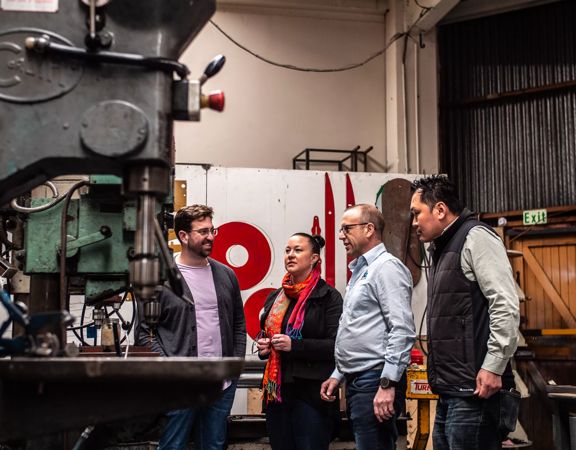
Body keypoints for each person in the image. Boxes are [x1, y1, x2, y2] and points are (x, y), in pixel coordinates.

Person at [409, 175, 520, 450]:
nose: (413, 223)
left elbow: (505, 304)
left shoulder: (476, 237)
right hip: (451, 390)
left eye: (416, 213)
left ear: (440, 210)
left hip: (476, 390)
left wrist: (493, 366)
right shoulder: (442, 247)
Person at [136, 204, 246, 450]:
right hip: (180, 386)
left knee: (214, 446)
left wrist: (235, 366)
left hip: (221, 384)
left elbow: (238, 323)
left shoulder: (226, 275)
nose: (210, 236)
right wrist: (171, 371)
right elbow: (144, 333)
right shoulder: (161, 278)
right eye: (203, 231)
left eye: (212, 230)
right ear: (183, 236)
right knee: (173, 446)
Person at [320, 204, 416, 450]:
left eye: (346, 228)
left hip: (375, 380)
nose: (341, 235)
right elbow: (362, 328)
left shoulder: (386, 268)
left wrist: (387, 385)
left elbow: (402, 330)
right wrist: (338, 373)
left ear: (369, 229)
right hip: (359, 380)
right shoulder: (363, 270)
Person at [256, 233, 343, 450]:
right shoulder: (276, 297)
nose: (290, 255)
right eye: (287, 251)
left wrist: (294, 346)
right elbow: (264, 334)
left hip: (312, 394)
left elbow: (336, 346)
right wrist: (264, 347)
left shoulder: (328, 297)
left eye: (298, 250)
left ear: (314, 258)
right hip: (278, 394)